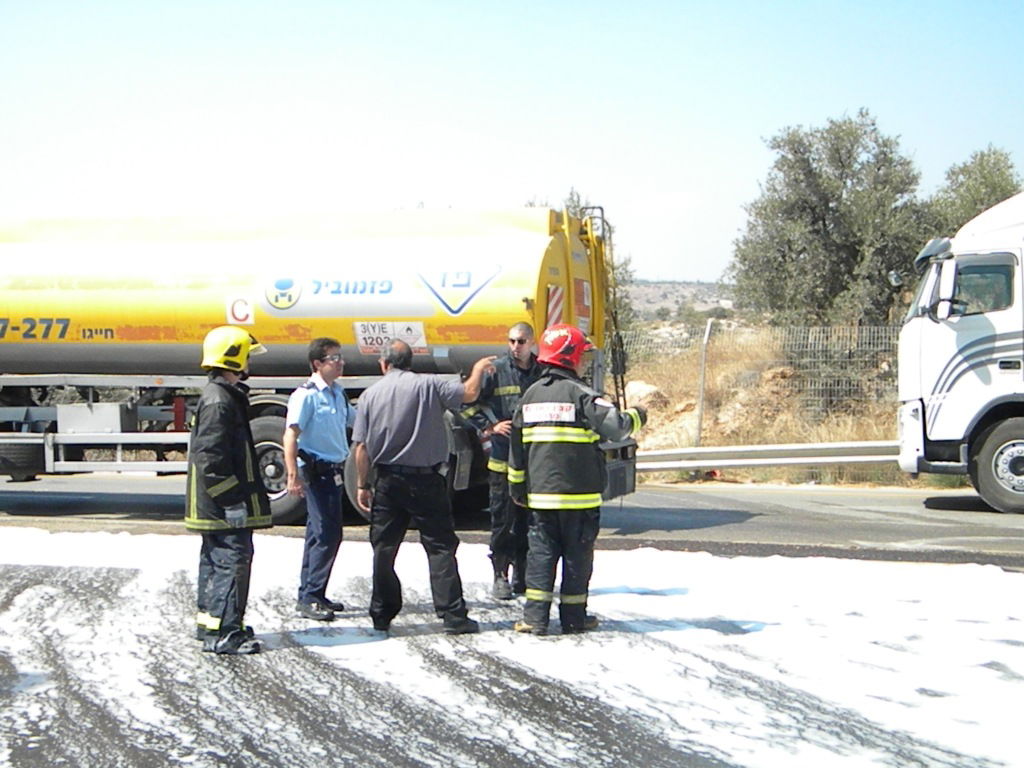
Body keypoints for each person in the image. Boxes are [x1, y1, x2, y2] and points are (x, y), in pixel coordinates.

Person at [508, 324, 647, 635]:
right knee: (576, 559)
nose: (585, 361)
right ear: (570, 356)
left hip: (540, 499)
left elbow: (516, 451)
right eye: (582, 356)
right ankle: (573, 619)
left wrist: (517, 488)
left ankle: (534, 619)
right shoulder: (583, 395)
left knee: (541, 557)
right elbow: (618, 427)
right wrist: (639, 414)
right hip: (579, 499)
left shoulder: (529, 396)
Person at [352, 340, 494, 635]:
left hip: (388, 481)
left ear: (384, 364)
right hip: (427, 481)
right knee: (440, 546)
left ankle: (382, 613)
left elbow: (361, 448)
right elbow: (469, 393)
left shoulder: (369, 396)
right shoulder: (430, 385)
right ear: (410, 362)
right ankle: (453, 615)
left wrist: (363, 484)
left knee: (384, 548)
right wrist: (479, 368)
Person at [186, 326, 274, 655]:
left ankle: (211, 626)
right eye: (246, 355)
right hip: (221, 507)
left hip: (214, 507)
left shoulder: (219, 396)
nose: (250, 362)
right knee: (232, 563)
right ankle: (225, 633)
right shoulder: (220, 401)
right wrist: (232, 500)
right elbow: (211, 458)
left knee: (216, 563)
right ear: (233, 358)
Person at [460, 322, 542, 599]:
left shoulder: (542, 373)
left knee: (528, 522)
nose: (515, 347)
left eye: (521, 341)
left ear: (532, 342)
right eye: (511, 341)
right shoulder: (495, 371)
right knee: (502, 521)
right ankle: (500, 575)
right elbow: (466, 404)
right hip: (502, 461)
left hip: (532, 462)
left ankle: (522, 575)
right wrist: (489, 427)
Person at [284, 337, 357, 621]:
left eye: (340, 357)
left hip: (334, 470)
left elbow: (356, 421)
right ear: (317, 364)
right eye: (333, 359)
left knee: (318, 534)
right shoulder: (306, 395)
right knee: (327, 534)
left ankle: (312, 593)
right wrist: (293, 474)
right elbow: (291, 435)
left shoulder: (337, 393)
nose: (340, 363)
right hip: (317, 472)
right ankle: (311, 596)